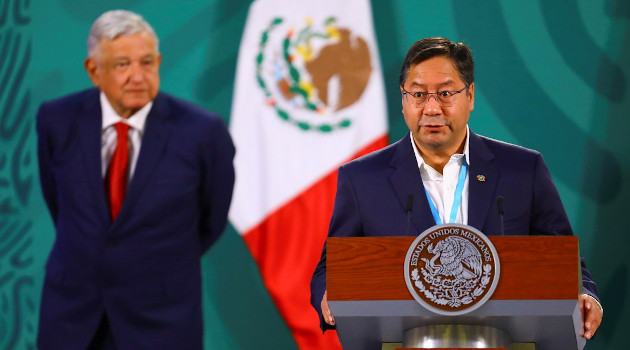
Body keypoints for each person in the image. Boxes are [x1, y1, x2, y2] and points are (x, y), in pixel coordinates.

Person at [310, 37, 602, 340]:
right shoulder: (362, 178)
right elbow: (330, 268)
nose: (432, 108)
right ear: (403, 100)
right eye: (419, 94)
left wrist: (586, 294)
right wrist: (329, 292)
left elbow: (564, 260)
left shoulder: (522, 170)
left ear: (471, 95)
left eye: (446, 93)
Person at [36, 10, 235, 349]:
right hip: (72, 318)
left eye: (146, 63)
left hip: (161, 320)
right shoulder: (57, 120)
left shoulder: (202, 132)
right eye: (122, 65)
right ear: (94, 71)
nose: (137, 77)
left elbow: (210, 220)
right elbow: (59, 203)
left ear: (158, 62)